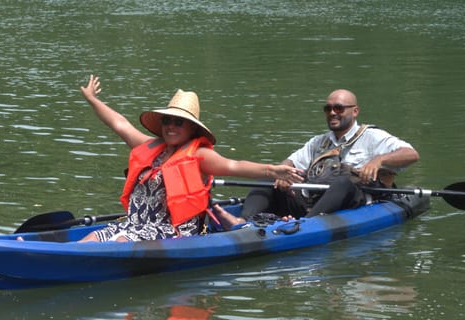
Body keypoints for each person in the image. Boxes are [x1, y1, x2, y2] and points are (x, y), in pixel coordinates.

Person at [75, 75, 303, 242]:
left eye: (178, 122)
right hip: (136, 224)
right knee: (92, 238)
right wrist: (92, 99)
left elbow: (234, 165)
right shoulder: (152, 146)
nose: (171, 126)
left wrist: (272, 170)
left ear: (191, 128)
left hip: (173, 231)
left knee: (122, 241)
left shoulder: (199, 155)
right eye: (167, 121)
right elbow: (120, 124)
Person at [216, 89, 419, 228]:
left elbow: (411, 154)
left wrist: (379, 160)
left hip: (350, 200)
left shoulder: (372, 137)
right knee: (269, 177)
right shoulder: (319, 142)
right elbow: (290, 163)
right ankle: (241, 221)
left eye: (339, 108)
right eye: (328, 109)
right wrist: (281, 173)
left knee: (344, 181)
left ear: (355, 111)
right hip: (311, 200)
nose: (332, 113)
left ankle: (304, 227)